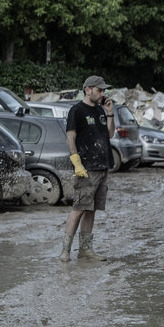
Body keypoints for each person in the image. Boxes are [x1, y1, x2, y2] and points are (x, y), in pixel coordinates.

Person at [60, 75, 116, 262]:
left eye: (103, 90)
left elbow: (109, 134)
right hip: (85, 168)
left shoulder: (101, 109)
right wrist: (76, 162)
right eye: (99, 90)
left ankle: (85, 250)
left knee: (91, 209)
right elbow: (70, 137)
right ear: (88, 90)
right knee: (79, 208)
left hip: (102, 166)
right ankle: (65, 251)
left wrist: (110, 113)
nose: (103, 93)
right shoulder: (76, 111)